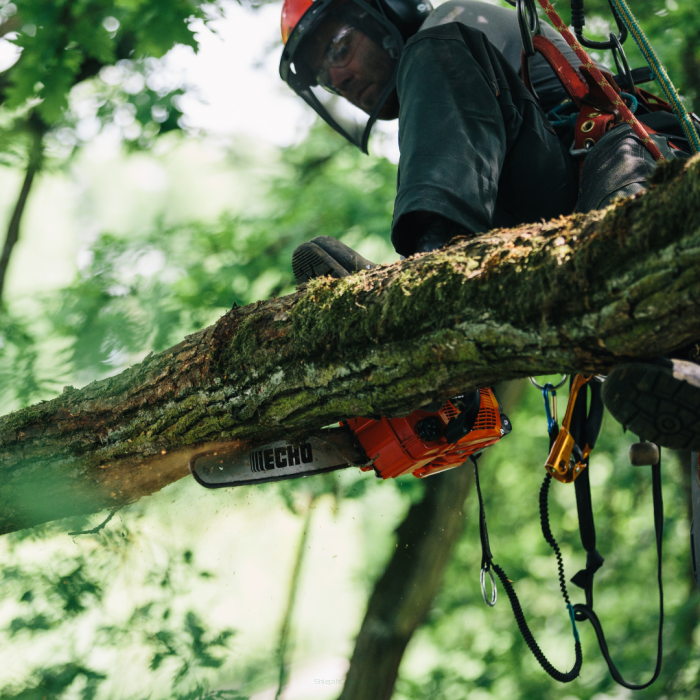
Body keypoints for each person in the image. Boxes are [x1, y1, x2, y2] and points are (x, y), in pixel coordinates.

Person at [278, 0, 700, 451]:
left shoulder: (449, 31)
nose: (337, 79)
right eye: (323, 75)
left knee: (435, 54)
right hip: (565, 224)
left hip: (637, 169)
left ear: (390, 12)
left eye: (339, 49)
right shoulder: (457, 112)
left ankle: (424, 287)